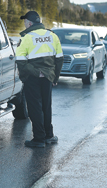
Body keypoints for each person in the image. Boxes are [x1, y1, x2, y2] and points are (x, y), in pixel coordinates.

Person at [15, 11, 64, 148]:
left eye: (25, 21)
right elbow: (59, 59)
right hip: (48, 76)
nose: (24, 24)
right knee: (46, 106)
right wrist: (55, 77)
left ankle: (39, 138)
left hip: (33, 77)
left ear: (29, 23)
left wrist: (28, 75)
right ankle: (49, 135)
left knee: (35, 107)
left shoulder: (26, 38)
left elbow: (20, 61)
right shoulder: (52, 36)